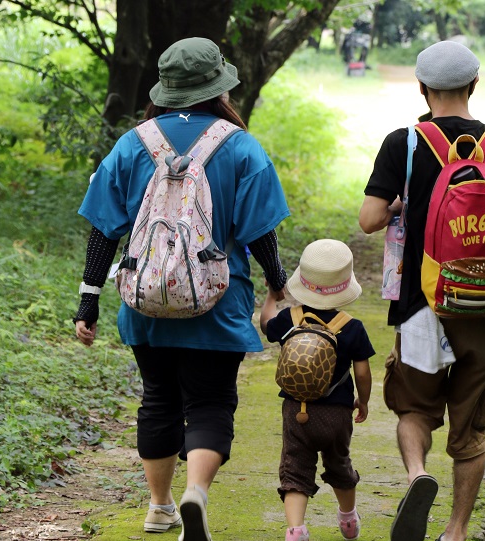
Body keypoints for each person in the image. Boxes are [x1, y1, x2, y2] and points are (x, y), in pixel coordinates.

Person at [73, 37, 290, 541]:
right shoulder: (240, 145)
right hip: (217, 298)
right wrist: (278, 288)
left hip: (145, 299)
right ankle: (196, 492)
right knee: (211, 403)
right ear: (218, 87)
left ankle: (158, 506)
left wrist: (88, 300)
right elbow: (262, 234)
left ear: (166, 88)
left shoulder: (134, 142)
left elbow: (104, 230)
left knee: (157, 399)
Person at [359, 40, 485, 541]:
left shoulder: (402, 143)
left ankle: (417, 476)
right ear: (474, 85)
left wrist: (405, 203)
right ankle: (455, 530)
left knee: (414, 409)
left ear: (424, 89)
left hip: (421, 304)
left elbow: (368, 220)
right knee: (473, 429)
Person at [260, 239, 374, 541]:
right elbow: (362, 371)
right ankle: (348, 518)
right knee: (339, 463)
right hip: (336, 413)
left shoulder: (289, 319)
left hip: (296, 409)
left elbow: (265, 323)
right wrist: (363, 400)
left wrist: (272, 297)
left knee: (295, 469)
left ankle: (296, 529)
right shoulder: (352, 327)